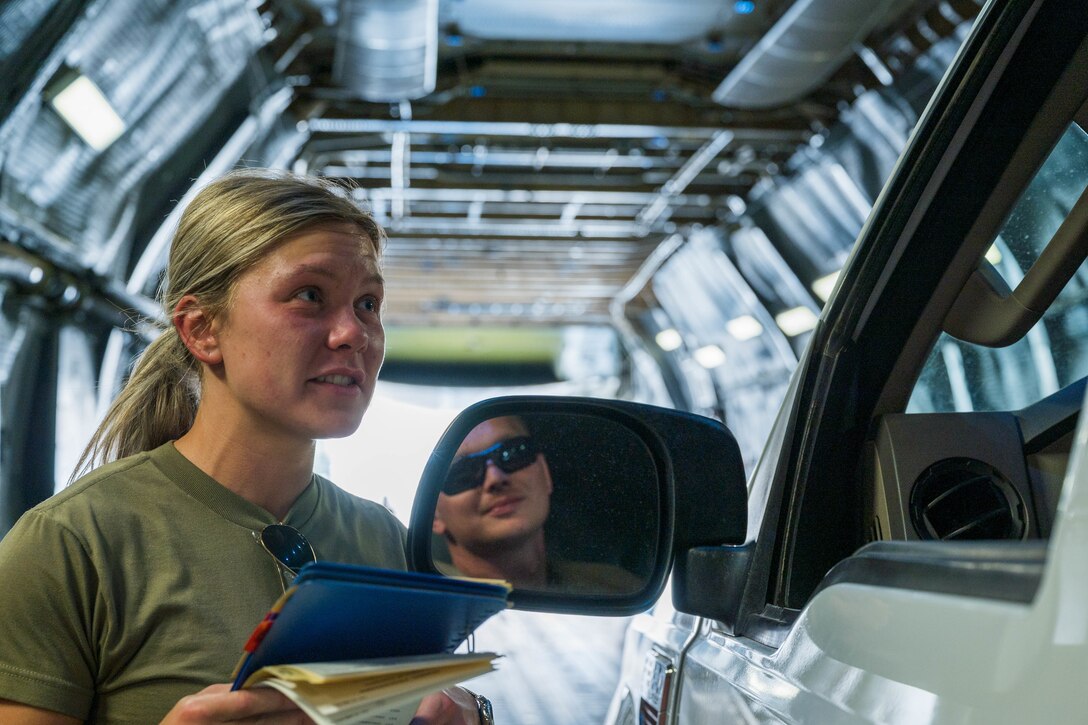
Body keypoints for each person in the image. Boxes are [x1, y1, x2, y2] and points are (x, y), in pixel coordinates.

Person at [0, 169, 485, 724]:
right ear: (203, 330)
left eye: (368, 304)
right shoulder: (71, 548)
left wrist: (473, 713)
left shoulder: (391, 548)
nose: (354, 333)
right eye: (310, 296)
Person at [432, 416, 642, 594]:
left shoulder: (617, 587)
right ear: (433, 514)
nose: (496, 478)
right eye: (462, 472)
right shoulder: (429, 602)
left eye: (514, 453)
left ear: (545, 473)